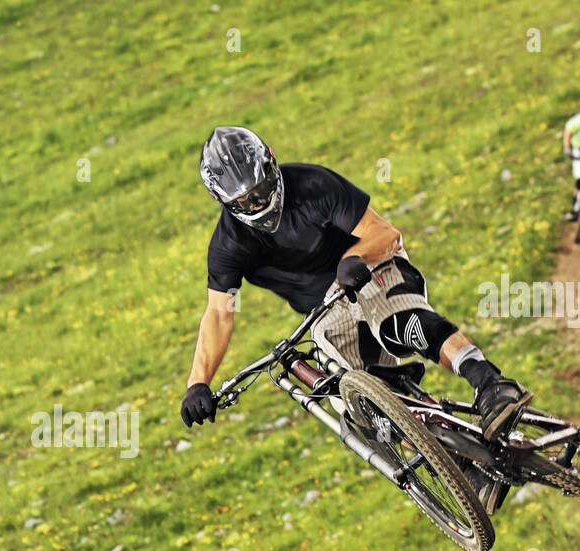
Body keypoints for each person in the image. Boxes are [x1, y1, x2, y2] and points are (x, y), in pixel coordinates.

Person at [181, 126, 531, 453]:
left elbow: (385, 234)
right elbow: (218, 314)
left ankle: (490, 383)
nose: (259, 202)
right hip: (324, 312)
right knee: (360, 405)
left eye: (263, 188)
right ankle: (453, 464)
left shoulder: (313, 184)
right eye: (245, 202)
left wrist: (354, 256)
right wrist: (198, 383)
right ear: (223, 201)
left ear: (272, 165)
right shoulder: (228, 244)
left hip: (370, 266)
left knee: (399, 323)